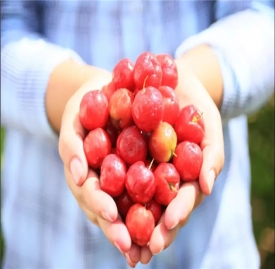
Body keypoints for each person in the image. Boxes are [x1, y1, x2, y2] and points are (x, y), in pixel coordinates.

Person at [1, 0, 274, 268]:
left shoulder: (165, 122)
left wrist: (201, 78)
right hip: (48, 239)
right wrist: (70, 92)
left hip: (213, 249)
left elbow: (262, 21)